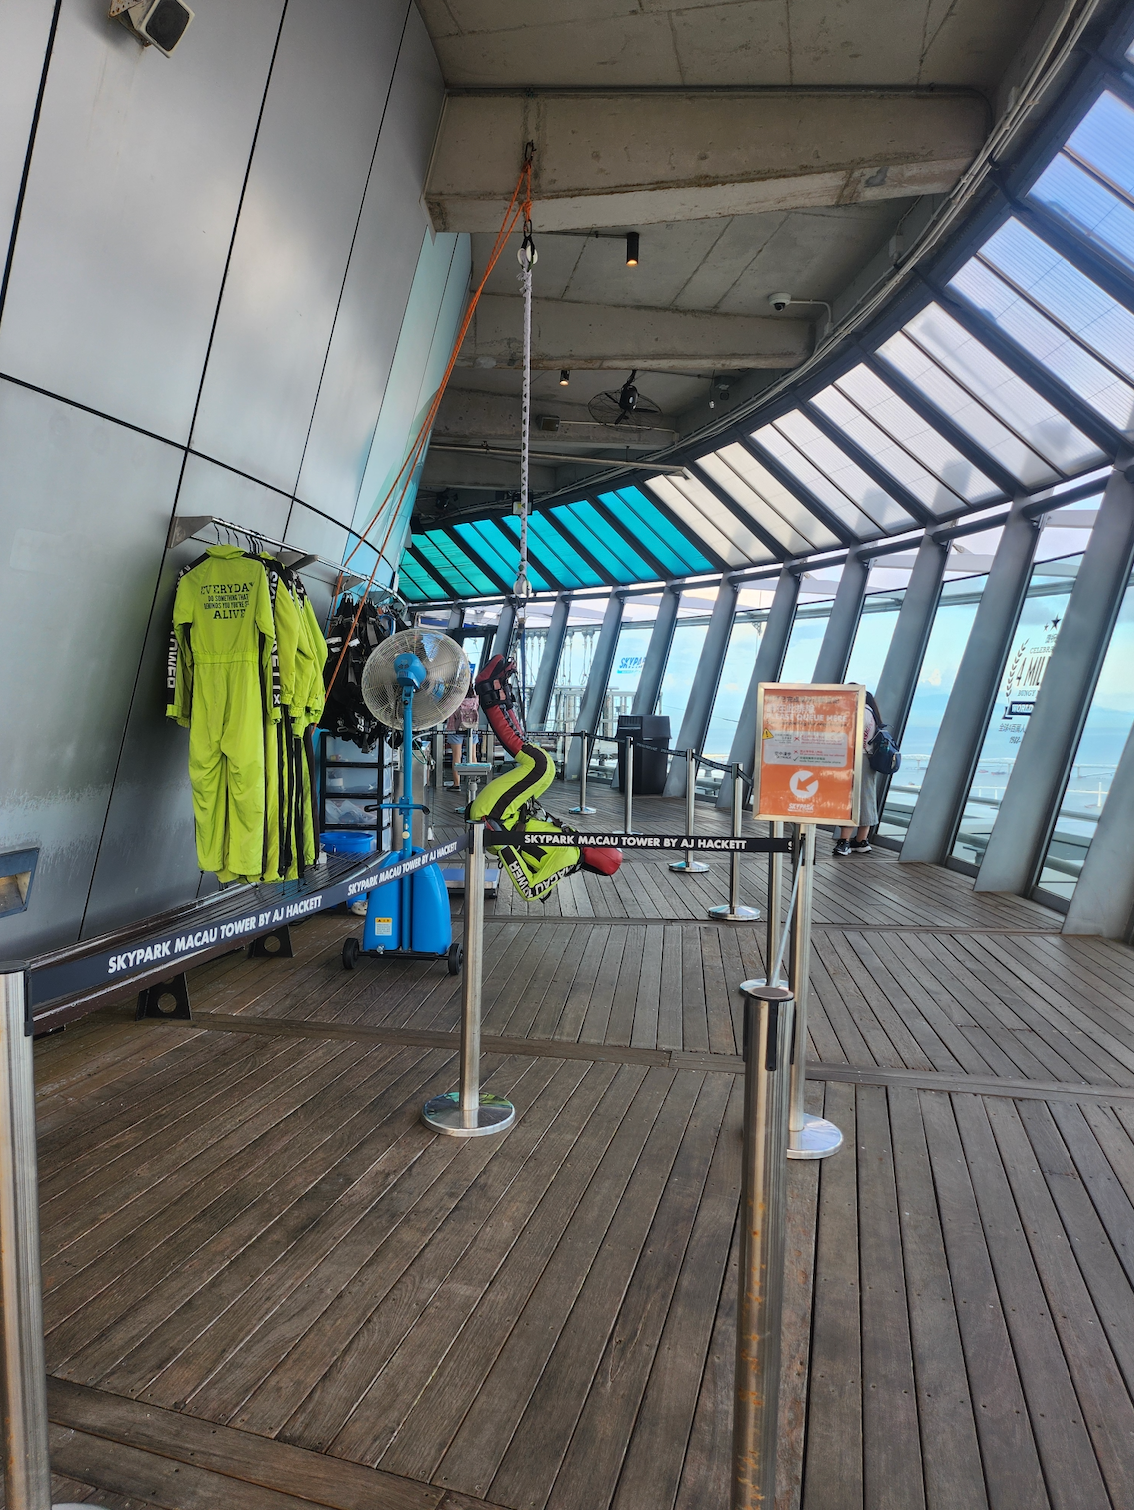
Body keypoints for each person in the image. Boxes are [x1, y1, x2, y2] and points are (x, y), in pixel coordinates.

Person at [834, 690, 882, 857]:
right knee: (865, 799)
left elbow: (850, 736)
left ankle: (844, 842)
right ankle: (861, 840)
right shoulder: (871, 713)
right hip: (866, 760)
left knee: (850, 800)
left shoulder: (861, 712)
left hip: (856, 760)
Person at [444, 692, 480, 790]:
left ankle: (457, 784)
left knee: (456, 756)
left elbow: (445, 710)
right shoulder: (476, 699)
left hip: (454, 729)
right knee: (472, 755)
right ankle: (473, 781)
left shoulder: (453, 697)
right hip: (472, 729)